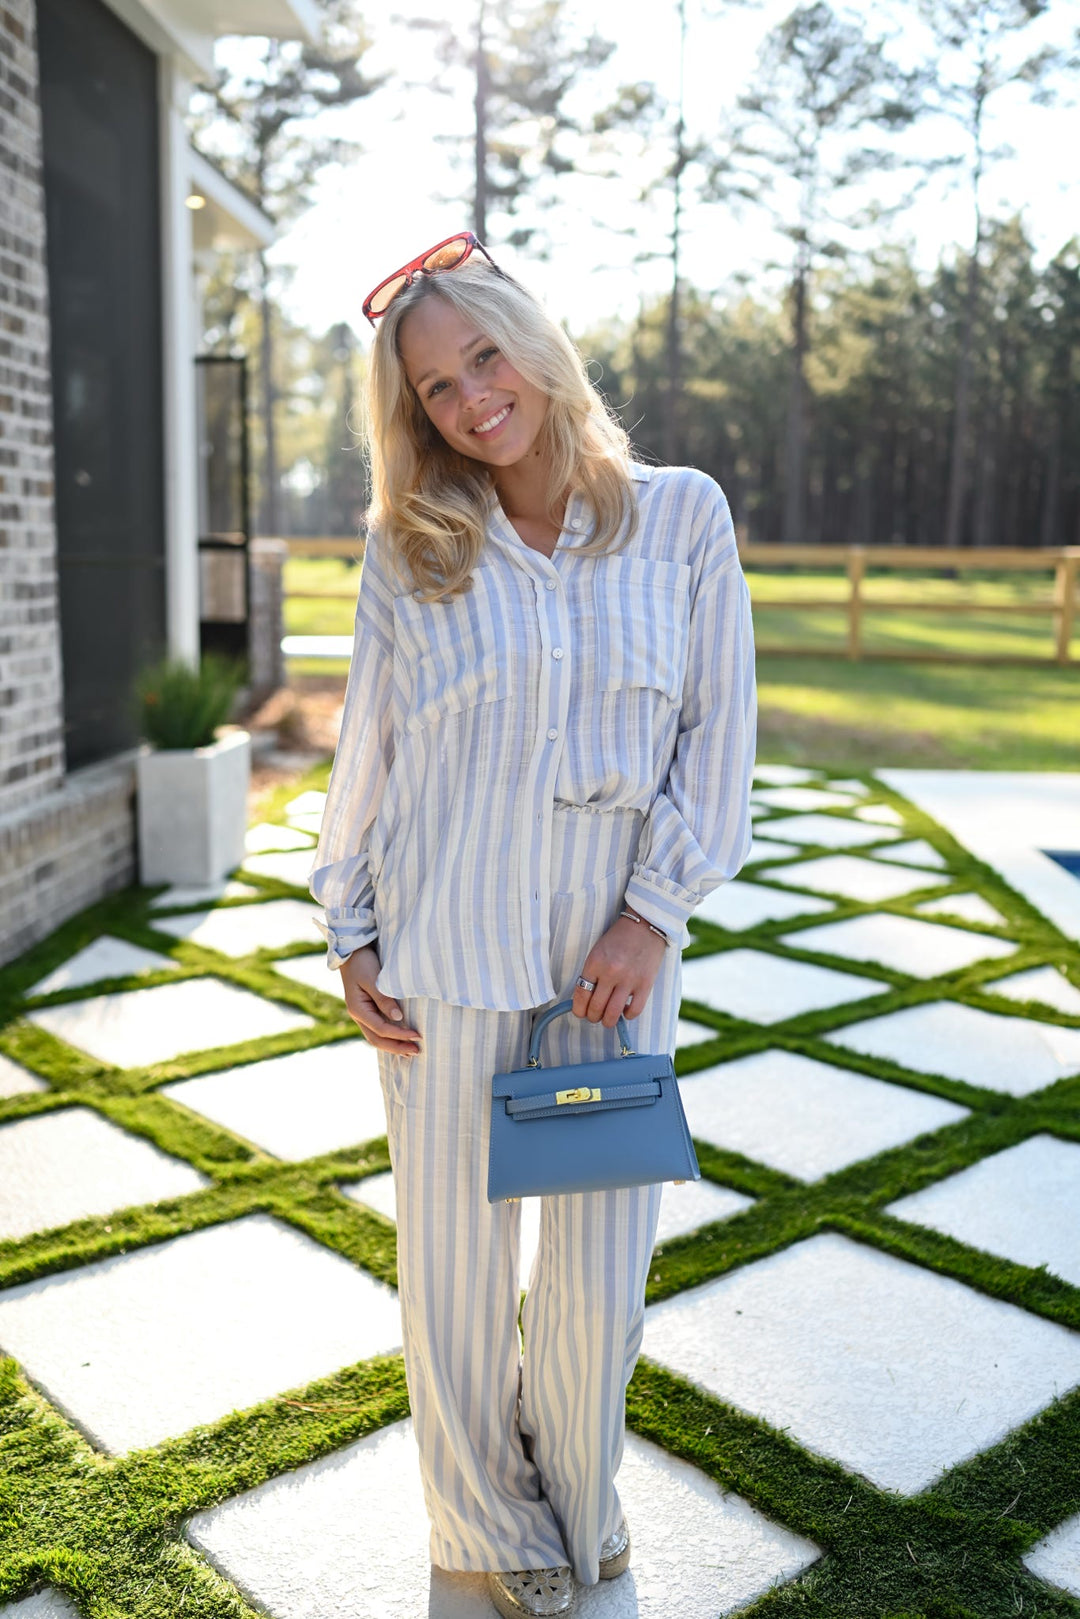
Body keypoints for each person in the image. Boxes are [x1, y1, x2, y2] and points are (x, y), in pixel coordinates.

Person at [309, 230, 757, 1619]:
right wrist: (350, 927)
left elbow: (718, 743)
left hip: (607, 974)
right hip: (443, 964)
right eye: (437, 389)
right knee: (450, 1276)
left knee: (594, 1283)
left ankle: (580, 1514)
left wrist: (652, 914)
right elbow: (366, 755)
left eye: (483, 356)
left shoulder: (682, 517)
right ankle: (487, 1539)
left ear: (536, 342)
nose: (471, 399)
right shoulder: (412, 545)